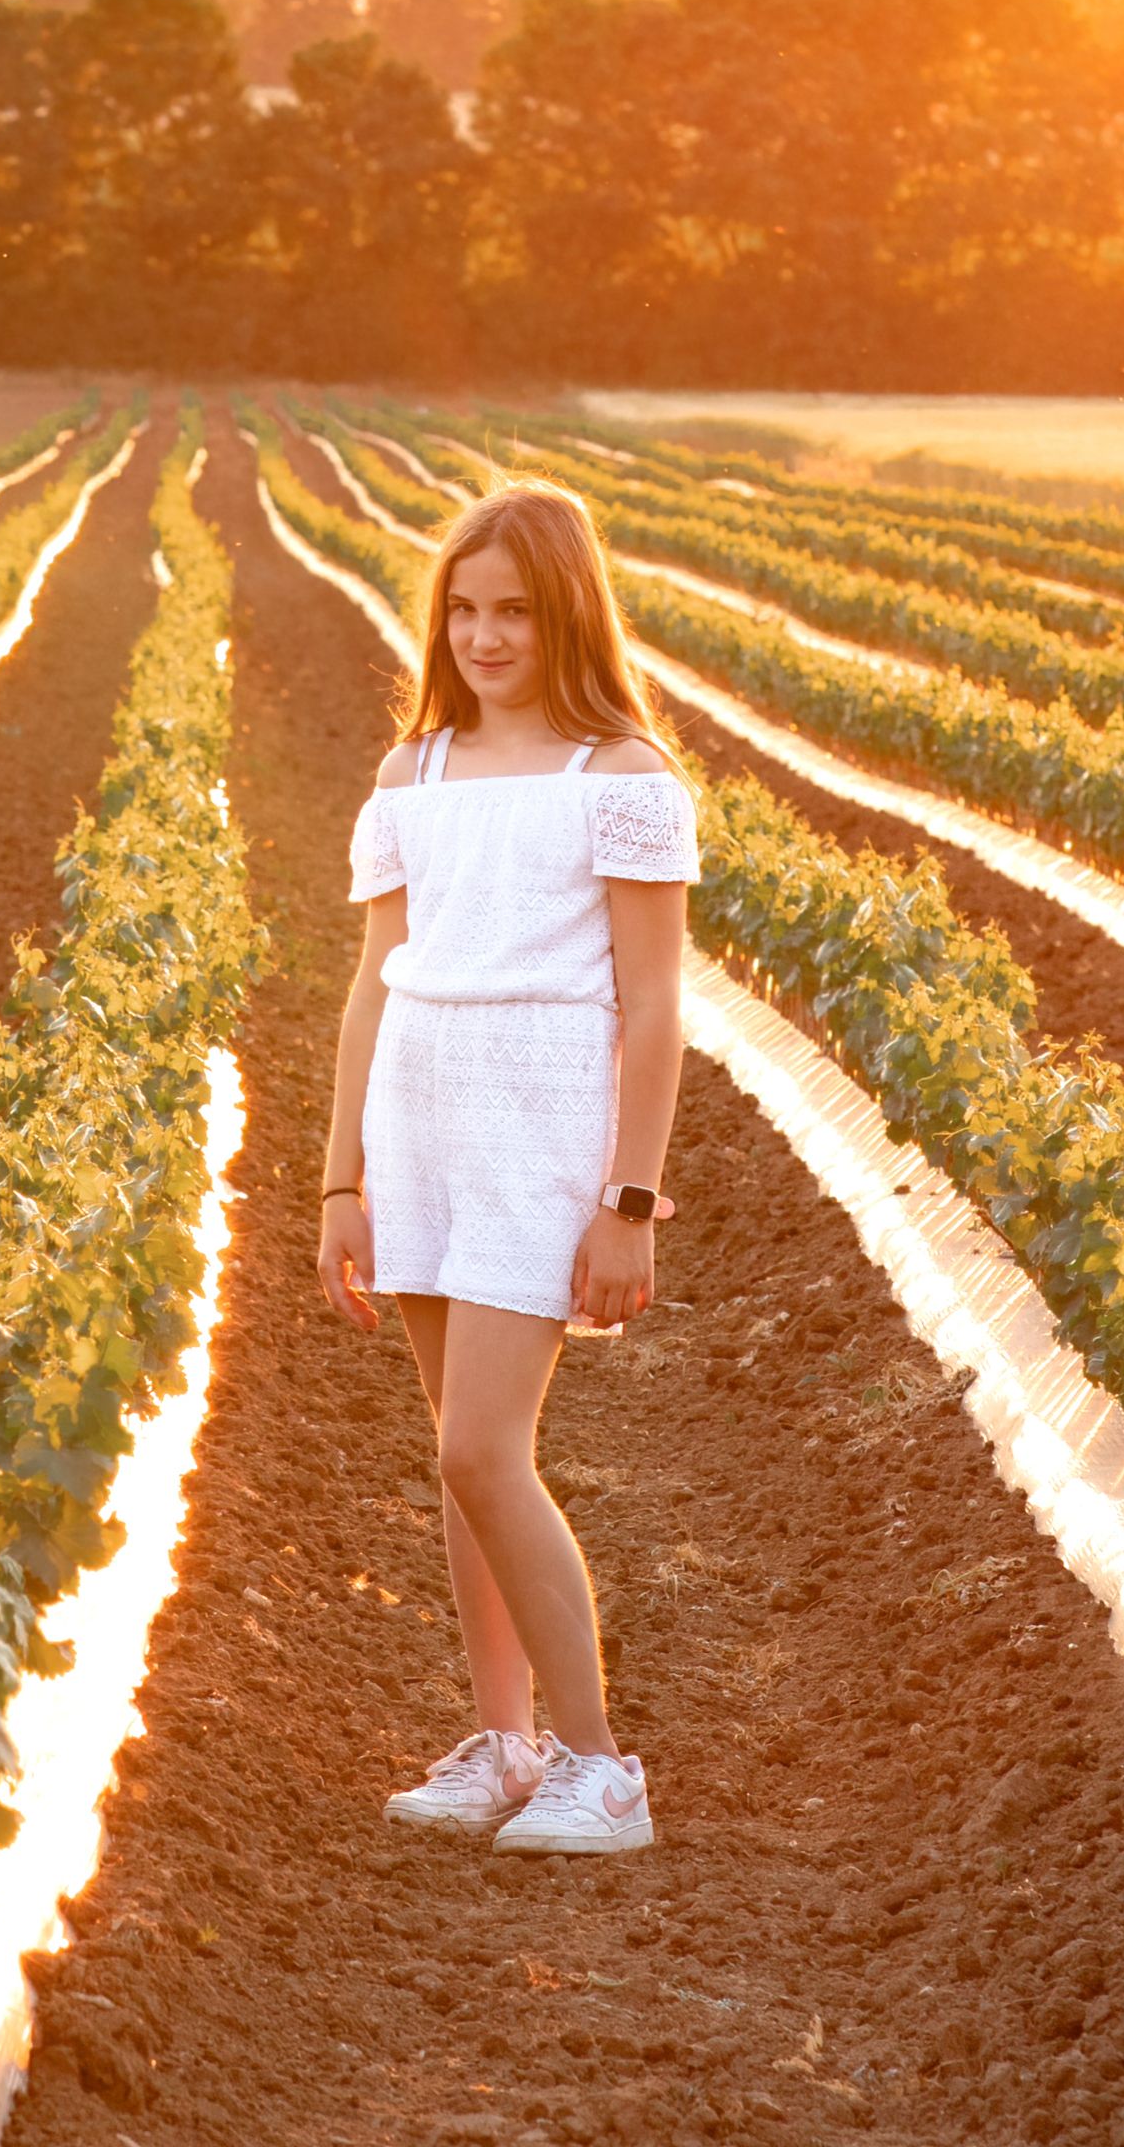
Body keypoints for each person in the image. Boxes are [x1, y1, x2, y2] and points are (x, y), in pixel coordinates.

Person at [318, 480, 691, 1858]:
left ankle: (604, 1764)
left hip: (545, 1123)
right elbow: (371, 982)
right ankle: (506, 1745)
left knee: (485, 1443)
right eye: (464, 610)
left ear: (565, 616)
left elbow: (653, 1006)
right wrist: (339, 1181)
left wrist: (631, 1199)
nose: (483, 637)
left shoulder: (626, 781)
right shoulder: (409, 776)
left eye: (513, 612)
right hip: (420, 1113)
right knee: (458, 1460)